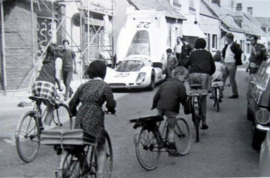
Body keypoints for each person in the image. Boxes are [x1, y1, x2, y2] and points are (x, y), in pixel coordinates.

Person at [69, 60, 116, 178]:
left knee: (79, 144)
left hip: (80, 117)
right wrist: (111, 109)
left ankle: (83, 167)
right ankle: (99, 174)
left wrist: (74, 112)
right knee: (101, 146)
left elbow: (72, 103)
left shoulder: (83, 86)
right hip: (94, 118)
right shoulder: (104, 86)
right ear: (103, 73)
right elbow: (111, 102)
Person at [152, 66, 188, 157]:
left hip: (160, 106)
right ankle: (171, 148)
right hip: (171, 108)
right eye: (184, 77)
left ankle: (156, 135)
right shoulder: (181, 85)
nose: (184, 80)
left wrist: (154, 105)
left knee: (159, 118)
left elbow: (157, 95)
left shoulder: (164, 83)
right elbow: (183, 98)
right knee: (171, 128)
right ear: (179, 75)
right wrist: (186, 106)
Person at [185, 38, 216, 130]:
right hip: (204, 76)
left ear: (196, 45)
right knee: (203, 97)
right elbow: (213, 67)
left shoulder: (193, 53)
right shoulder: (208, 54)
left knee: (192, 93)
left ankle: (192, 109)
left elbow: (186, 64)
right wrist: (208, 74)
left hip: (193, 75)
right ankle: (204, 121)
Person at [31, 44, 63, 130]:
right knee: (50, 108)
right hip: (48, 85)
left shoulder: (45, 60)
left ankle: (39, 124)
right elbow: (57, 76)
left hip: (37, 84)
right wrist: (60, 86)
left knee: (39, 105)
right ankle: (45, 130)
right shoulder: (58, 59)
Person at [221, 33, 242, 99]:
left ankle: (235, 93)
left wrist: (235, 59)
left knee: (231, 79)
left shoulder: (235, 45)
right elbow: (224, 52)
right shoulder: (226, 45)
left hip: (232, 63)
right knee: (223, 78)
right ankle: (220, 93)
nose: (226, 39)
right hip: (226, 63)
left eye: (226, 38)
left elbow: (240, 51)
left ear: (230, 38)